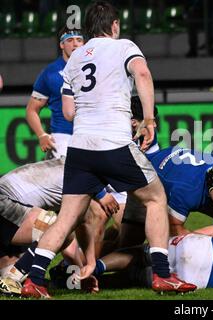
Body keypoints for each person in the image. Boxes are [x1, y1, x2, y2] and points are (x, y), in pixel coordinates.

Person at [21, 1, 196, 299]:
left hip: (80, 148)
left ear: (87, 29)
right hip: (112, 142)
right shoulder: (123, 46)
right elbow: (142, 74)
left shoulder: (74, 59)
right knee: (156, 199)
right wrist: (149, 118)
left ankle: (34, 279)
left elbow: (68, 112)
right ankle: (163, 276)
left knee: (66, 219)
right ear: (114, 25)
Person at [0, 158, 121, 296]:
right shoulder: (82, 179)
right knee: (59, 229)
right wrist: (90, 265)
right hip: (5, 203)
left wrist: (81, 274)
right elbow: (71, 230)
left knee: (15, 266)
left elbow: (68, 243)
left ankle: (11, 277)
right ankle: (12, 280)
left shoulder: (75, 168)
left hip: (10, 209)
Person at [93, 224, 213, 290]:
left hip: (195, 249)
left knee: (140, 254)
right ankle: (85, 284)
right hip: (195, 279)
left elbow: (199, 232)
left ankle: (91, 269)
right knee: (133, 278)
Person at [26, 26, 84, 160]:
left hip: (91, 135)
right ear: (61, 44)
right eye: (69, 40)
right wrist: (41, 135)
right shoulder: (50, 73)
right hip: (63, 137)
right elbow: (31, 110)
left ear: (84, 44)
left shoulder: (96, 68)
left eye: (79, 40)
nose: (75, 44)